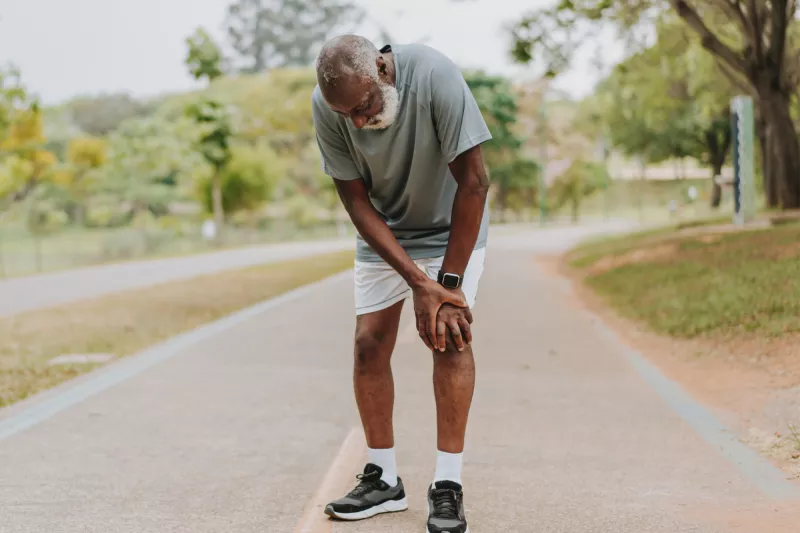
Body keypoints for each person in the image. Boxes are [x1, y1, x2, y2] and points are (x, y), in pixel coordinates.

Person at [311, 34, 491, 533]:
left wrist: (446, 287)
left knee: (448, 337)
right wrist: (417, 282)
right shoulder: (331, 106)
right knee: (369, 343)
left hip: (452, 225)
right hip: (385, 232)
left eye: (363, 107)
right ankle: (383, 478)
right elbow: (355, 200)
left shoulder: (434, 76)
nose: (358, 122)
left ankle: (447, 484)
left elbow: (474, 181)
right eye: (346, 113)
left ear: (383, 71)